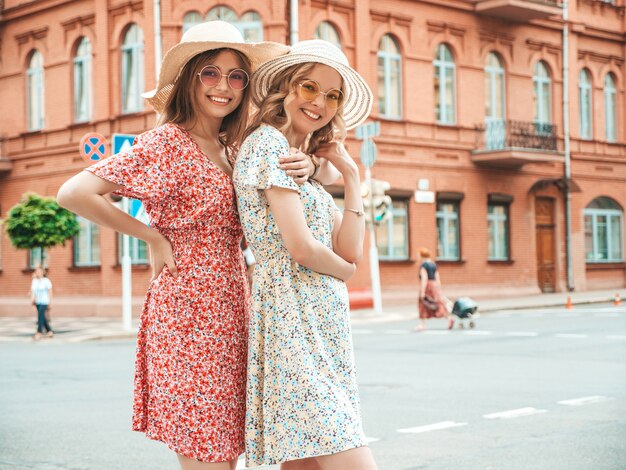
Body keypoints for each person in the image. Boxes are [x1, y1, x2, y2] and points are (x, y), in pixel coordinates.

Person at [56, 21, 311, 470]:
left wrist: (306, 164)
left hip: (234, 308)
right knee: (205, 453)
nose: (225, 86)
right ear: (189, 78)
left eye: (237, 77)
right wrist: (151, 235)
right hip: (187, 311)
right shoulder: (167, 142)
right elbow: (74, 193)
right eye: (210, 72)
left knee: (228, 450)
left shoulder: (234, 147)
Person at [233, 40, 378, 469]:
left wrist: (350, 176)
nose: (319, 103)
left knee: (305, 463)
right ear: (285, 88)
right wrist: (346, 272)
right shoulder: (266, 145)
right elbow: (300, 247)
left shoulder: (304, 164)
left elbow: (349, 244)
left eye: (332, 95)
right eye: (309, 87)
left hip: (322, 326)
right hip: (291, 322)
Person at [415, 247, 454, 332]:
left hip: (427, 286)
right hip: (434, 285)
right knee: (438, 303)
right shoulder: (433, 265)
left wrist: (422, 291)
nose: (417, 257)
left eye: (418, 255)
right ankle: (449, 318)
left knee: (423, 304)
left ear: (422, 255)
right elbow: (437, 278)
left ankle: (421, 325)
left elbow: (424, 278)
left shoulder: (424, 265)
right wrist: (438, 289)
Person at [30, 266, 53, 340]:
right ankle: (49, 331)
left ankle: (38, 332)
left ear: (43, 272)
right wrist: (32, 300)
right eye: (37, 272)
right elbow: (33, 292)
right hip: (37, 301)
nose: (38, 273)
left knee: (40, 316)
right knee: (43, 317)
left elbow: (50, 291)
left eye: (39, 272)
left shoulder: (46, 281)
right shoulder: (34, 281)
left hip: (44, 301)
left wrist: (50, 302)